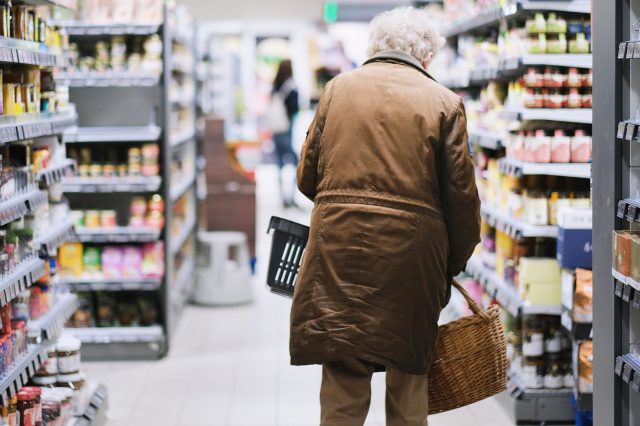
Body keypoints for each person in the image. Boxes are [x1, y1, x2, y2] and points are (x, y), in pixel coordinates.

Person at [290, 7, 481, 425]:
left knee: (344, 375)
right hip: (412, 260)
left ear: (374, 48)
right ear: (427, 56)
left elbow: (307, 177)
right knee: (409, 377)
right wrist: (451, 264)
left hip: (339, 251)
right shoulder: (445, 103)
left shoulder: (338, 89)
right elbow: (462, 201)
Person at [269, 59, 299, 208]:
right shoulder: (291, 87)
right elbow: (295, 109)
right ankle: (291, 197)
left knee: (279, 164)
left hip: (275, 129)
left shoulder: (275, 86)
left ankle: (282, 198)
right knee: (296, 163)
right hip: (286, 129)